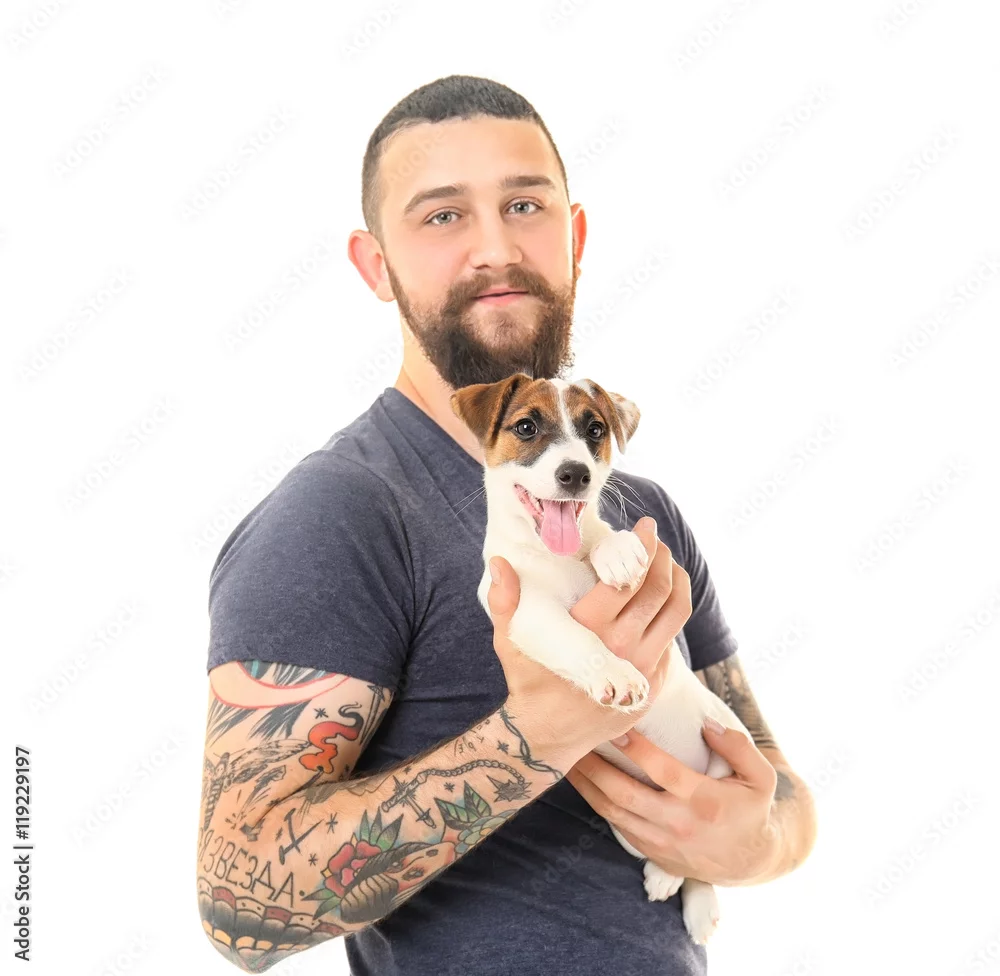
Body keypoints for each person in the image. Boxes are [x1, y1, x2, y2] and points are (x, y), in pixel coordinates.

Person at [196, 74, 817, 976]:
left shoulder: (640, 513)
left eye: (525, 205)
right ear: (376, 266)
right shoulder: (338, 515)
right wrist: (539, 732)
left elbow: (778, 784)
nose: (495, 247)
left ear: (575, 238)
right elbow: (237, 906)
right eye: (442, 215)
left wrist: (751, 844)